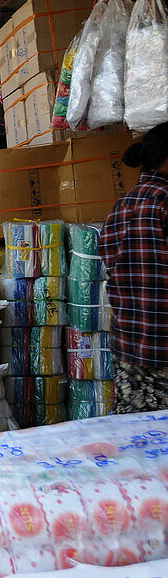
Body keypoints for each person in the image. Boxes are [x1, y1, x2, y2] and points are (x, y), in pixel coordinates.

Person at [101, 123, 168, 414]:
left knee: (139, 444)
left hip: (129, 349)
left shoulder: (119, 207)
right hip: (163, 348)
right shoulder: (164, 203)